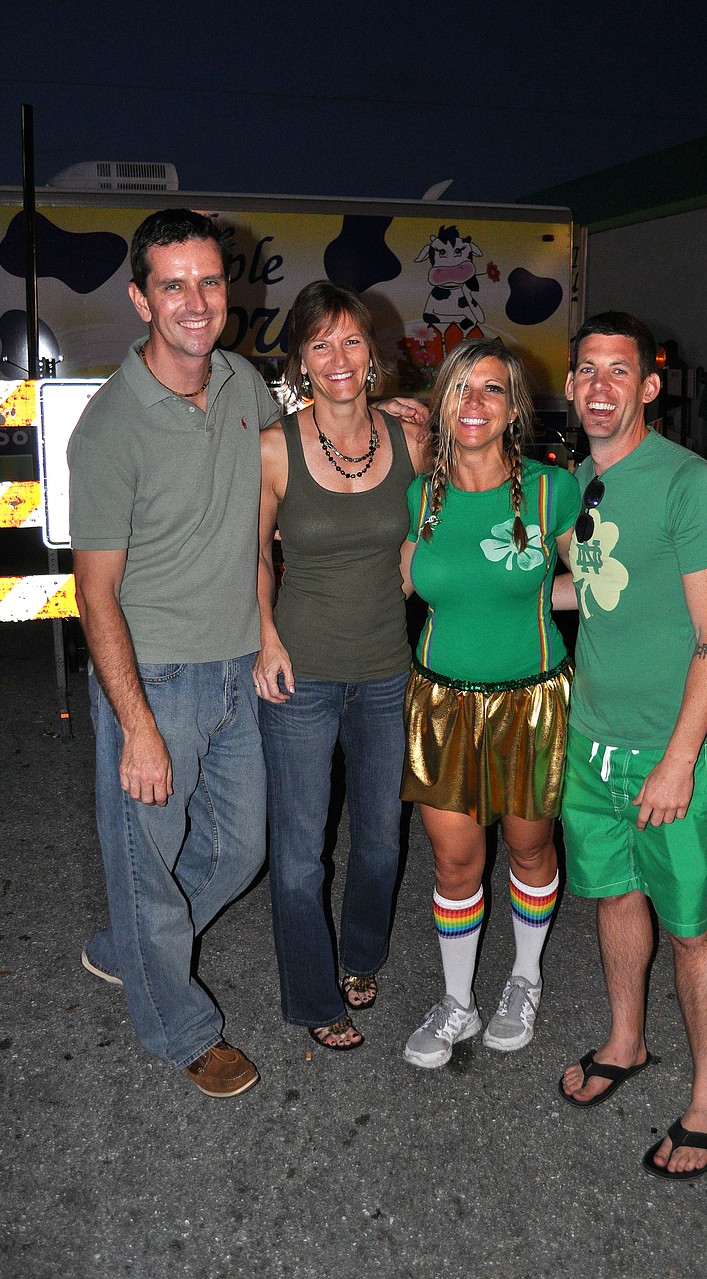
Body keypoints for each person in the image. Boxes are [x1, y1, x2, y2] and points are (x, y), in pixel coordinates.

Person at [68, 208, 279, 1096]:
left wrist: (266, 630)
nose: (196, 301)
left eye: (209, 281)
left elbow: (266, 523)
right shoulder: (113, 426)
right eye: (173, 285)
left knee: (240, 848)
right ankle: (180, 1028)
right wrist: (137, 725)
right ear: (141, 299)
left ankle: (128, 946)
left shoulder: (244, 387)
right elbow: (95, 592)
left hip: (236, 666)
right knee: (146, 864)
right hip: (152, 678)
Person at [554, 311, 707, 1179]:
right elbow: (588, 585)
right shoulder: (574, 485)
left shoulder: (688, 483)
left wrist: (676, 760)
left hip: (670, 751)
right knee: (613, 897)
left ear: (649, 386)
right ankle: (626, 1042)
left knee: (694, 926)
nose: (600, 386)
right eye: (587, 370)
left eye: (618, 371)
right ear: (570, 385)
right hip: (589, 744)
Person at [254, 281, 426, 1051]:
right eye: (320, 344)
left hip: (388, 668)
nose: (338, 358)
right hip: (302, 672)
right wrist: (264, 635)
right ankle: (313, 995)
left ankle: (361, 954)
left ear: (372, 351)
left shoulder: (407, 438)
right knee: (297, 853)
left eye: (351, 340)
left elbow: (422, 532)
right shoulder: (274, 445)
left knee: (382, 838)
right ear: (300, 359)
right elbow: (255, 551)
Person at [399, 337, 579, 1069]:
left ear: (513, 410)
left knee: (531, 847)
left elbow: (593, 582)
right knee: (454, 865)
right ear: (441, 400)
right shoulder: (421, 494)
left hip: (530, 700)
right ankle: (458, 1002)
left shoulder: (550, 490)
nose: (473, 404)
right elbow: (405, 583)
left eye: (492, 391)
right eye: (461, 389)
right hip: (440, 703)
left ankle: (525, 978)